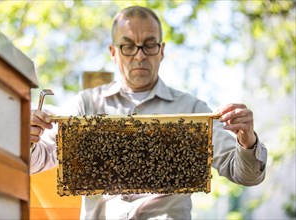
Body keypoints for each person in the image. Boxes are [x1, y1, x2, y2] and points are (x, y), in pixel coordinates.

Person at [30, 6, 267, 219]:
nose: (140, 55)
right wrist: (27, 136)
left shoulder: (192, 110)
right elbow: (34, 161)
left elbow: (246, 175)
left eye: (149, 45)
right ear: (113, 52)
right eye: (129, 46)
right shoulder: (85, 105)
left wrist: (247, 141)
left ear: (161, 50)